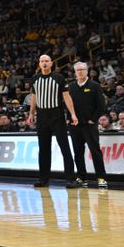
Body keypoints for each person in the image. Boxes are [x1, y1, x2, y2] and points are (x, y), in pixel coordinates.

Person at [26, 55, 79, 188]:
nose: (44, 63)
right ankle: (43, 179)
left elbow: (67, 97)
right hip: (42, 116)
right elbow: (34, 97)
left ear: (51, 64)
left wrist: (73, 114)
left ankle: (71, 179)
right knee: (43, 149)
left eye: (47, 61)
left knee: (64, 147)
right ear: (39, 63)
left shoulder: (59, 78)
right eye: (42, 61)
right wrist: (31, 113)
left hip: (57, 115)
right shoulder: (35, 78)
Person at [67, 62, 107, 188]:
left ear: (87, 71)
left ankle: (101, 177)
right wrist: (69, 119)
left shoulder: (95, 85)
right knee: (78, 152)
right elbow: (67, 105)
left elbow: (101, 105)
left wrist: (93, 120)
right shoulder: (71, 87)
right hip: (75, 125)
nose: (80, 72)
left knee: (95, 151)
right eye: (77, 70)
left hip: (89, 125)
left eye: (82, 69)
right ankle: (81, 177)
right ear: (75, 72)